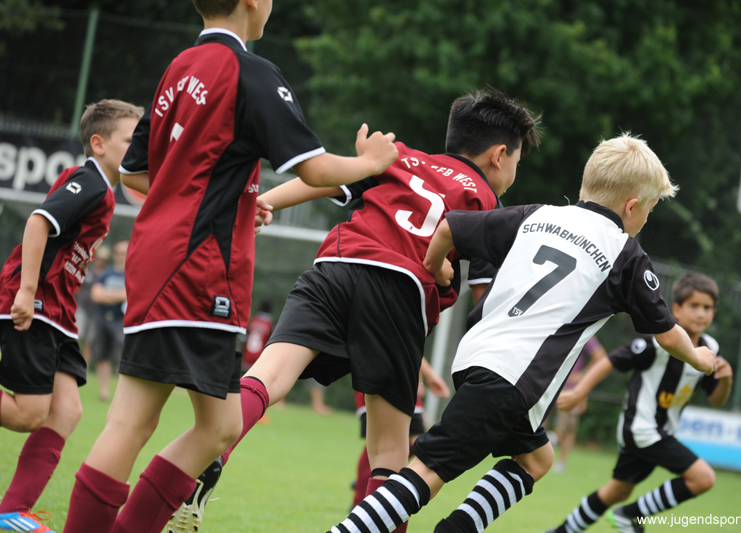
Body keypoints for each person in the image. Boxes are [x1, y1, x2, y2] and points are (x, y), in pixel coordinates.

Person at [61, 0, 398, 531]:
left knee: (192, 425)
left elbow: (135, 172)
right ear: (252, 2)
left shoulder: (178, 68)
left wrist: (231, 195)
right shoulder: (250, 72)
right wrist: (371, 162)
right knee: (172, 427)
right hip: (200, 268)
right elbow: (314, 169)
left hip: (154, 257)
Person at [181, 86, 542, 533]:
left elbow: (326, 179)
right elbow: (486, 302)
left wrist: (264, 202)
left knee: (267, 377)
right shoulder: (488, 204)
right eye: (518, 162)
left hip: (336, 264)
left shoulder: (400, 156)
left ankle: (210, 455)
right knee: (390, 451)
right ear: (500, 155)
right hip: (401, 290)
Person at [327, 133, 718, 533]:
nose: (646, 219)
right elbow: (669, 336)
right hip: (513, 378)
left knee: (536, 459)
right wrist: (701, 358)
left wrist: (435, 264)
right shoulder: (626, 254)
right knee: (428, 470)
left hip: (475, 358)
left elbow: (448, 228)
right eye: (649, 210)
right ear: (632, 206)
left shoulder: (537, 215)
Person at [0, 99, 142, 532]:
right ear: (98, 144)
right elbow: (38, 222)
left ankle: (11, 512)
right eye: (131, 140)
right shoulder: (90, 181)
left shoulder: (106, 189)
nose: (139, 148)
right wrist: (27, 291)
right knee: (28, 414)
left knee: (66, 412)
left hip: (60, 315)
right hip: (37, 305)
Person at [546, 273, 733, 533]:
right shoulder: (658, 344)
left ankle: (561, 531)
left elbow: (717, 400)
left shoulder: (710, 348)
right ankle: (629, 515)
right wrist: (579, 392)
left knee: (617, 492)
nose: (701, 313)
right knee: (703, 478)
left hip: (660, 432)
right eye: (694, 305)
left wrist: (726, 380)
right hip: (642, 429)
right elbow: (610, 360)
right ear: (677, 309)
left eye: (708, 307)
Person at [352, 358, 451, 507]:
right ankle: (364, 494)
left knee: (410, 446)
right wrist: (428, 375)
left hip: (405, 381)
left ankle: (368, 485)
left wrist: (424, 376)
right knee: (383, 446)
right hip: (381, 380)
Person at [552, 335, 606, 472]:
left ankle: (560, 463)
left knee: (568, 428)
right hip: (549, 384)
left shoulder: (585, 332)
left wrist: (583, 375)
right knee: (547, 426)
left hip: (569, 389)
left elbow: (600, 356)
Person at [90, 240, 128, 402]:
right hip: (102, 319)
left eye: (124, 253)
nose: (121, 256)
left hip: (121, 321)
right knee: (102, 356)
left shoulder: (131, 274)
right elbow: (96, 295)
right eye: (118, 253)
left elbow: (129, 295)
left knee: (122, 358)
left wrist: (108, 293)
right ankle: (104, 393)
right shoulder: (106, 273)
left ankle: (122, 395)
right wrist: (118, 295)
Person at [75, 244, 110, 363]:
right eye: (100, 258)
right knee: (77, 336)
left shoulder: (106, 275)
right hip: (82, 307)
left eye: (104, 259)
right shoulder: (87, 270)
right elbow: (77, 288)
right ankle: (71, 362)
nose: (101, 261)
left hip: (97, 311)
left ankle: (84, 366)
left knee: (89, 342)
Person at [242, 298, 273, 372]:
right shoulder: (270, 324)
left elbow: (244, 339)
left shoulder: (252, 321)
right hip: (260, 358)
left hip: (248, 356)